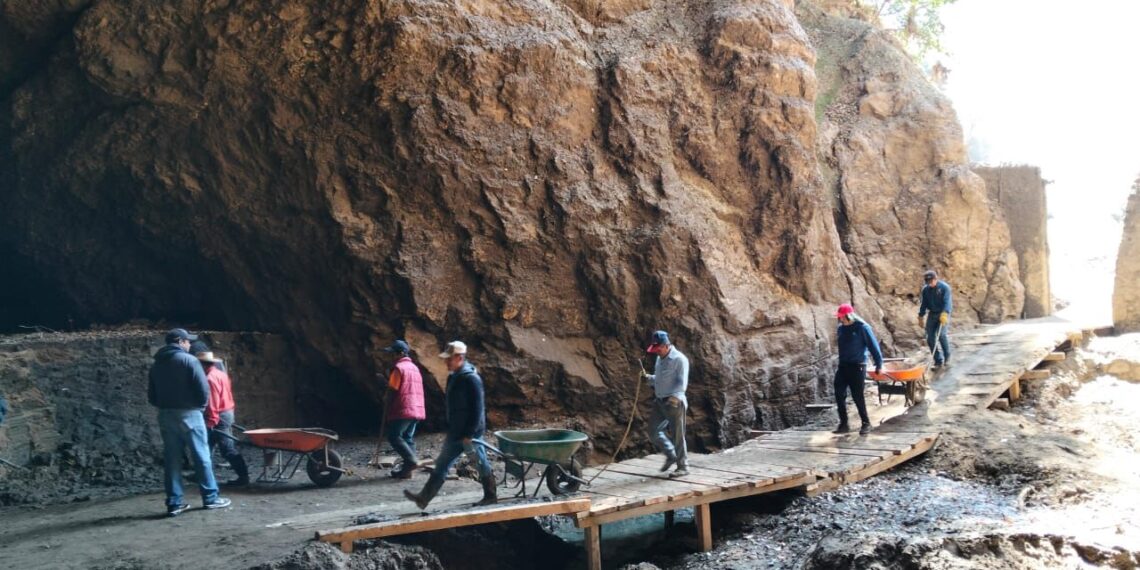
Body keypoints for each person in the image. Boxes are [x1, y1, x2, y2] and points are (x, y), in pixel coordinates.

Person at [148, 328, 231, 516]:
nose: (189, 344)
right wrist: (199, 409)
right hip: (190, 414)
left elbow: (151, 396)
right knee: (201, 456)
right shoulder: (189, 361)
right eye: (187, 341)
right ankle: (210, 498)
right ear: (179, 341)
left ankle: (174, 503)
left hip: (166, 415)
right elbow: (203, 391)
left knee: (172, 459)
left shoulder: (156, 365)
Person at [404, 341, 496, 509]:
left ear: (459, 358)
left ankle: (491, 495)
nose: (446, 362)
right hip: (456, 431)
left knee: (480, 462)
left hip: (470, 432)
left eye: (449, 359)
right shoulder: (454, 377)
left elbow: (477, 408)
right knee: (443, 463)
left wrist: (469, 433)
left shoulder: (471, 378)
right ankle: (423, 498)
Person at [197, 350, 250, 487]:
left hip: (219, 415)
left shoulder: (209, 379)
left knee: (227, 448)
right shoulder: (221, 374)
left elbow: (213, 402)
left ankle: (243, 477)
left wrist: (211, 421)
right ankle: (202, 475)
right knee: (207, 446)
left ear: (203, 365)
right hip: (227, 411)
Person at [642, 330, 689, 478]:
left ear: (666, 345)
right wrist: (649, 378)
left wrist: (675, 398)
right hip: (660, 401)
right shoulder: (660, 358)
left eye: (658, 349)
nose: (656, 352)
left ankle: (683, 467)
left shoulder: (679, 359)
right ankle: (671, 454)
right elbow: (661, 378)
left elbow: (682, 383)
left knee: (677, 435)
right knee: (653, 431)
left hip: (674, 403)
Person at [834, 304, 883, 435]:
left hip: (858, 367)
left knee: (858, 396)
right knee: (839, 393)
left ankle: (866, 423)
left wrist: (879, 364)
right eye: (840, 317)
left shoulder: (863, 328)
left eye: (842, 317)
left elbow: (873, 346)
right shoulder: (840, 329)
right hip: (843, 366)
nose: (841, 319)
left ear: (849, 315)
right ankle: (844, 424)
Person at [382, 340, 426, 479]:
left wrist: (386, 401)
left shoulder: (399, 368)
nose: (391, 356)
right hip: (417, 408)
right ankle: (407, 471)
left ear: (400, 353)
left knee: (394, 436)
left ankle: (411, 461)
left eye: (393, 353)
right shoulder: (414, 368)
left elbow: (393, 389)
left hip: (403, 408)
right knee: (407, 437)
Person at [917, 269, 953, 368]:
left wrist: (945, 313)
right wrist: (921, 315)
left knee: (941, 335)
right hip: (932, 314)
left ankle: (947, 356)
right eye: (928, 282)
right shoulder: (926, 290)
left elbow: (947, 302)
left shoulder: (945, 288)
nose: (930, 284)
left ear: (936, 279)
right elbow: (924, 303)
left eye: (931, 281)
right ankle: (938, 360)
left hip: (943, 313)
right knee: (930, 338)